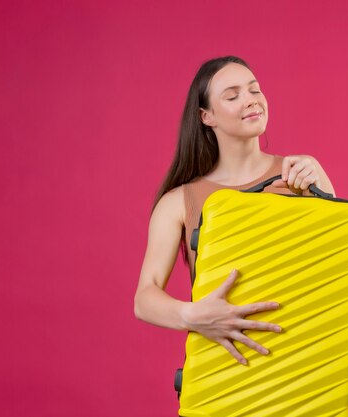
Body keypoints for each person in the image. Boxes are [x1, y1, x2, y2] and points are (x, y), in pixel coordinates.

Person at [133, 56, 336, 366]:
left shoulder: (302, 173)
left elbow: (339, 265)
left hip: (305, 364)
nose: (251, 101)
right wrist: (192, 315)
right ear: (206, 117)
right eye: (233, 95)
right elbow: (145, 297)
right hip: (223, 373)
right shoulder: (178, 202)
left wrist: (318, 195)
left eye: (255, 90)